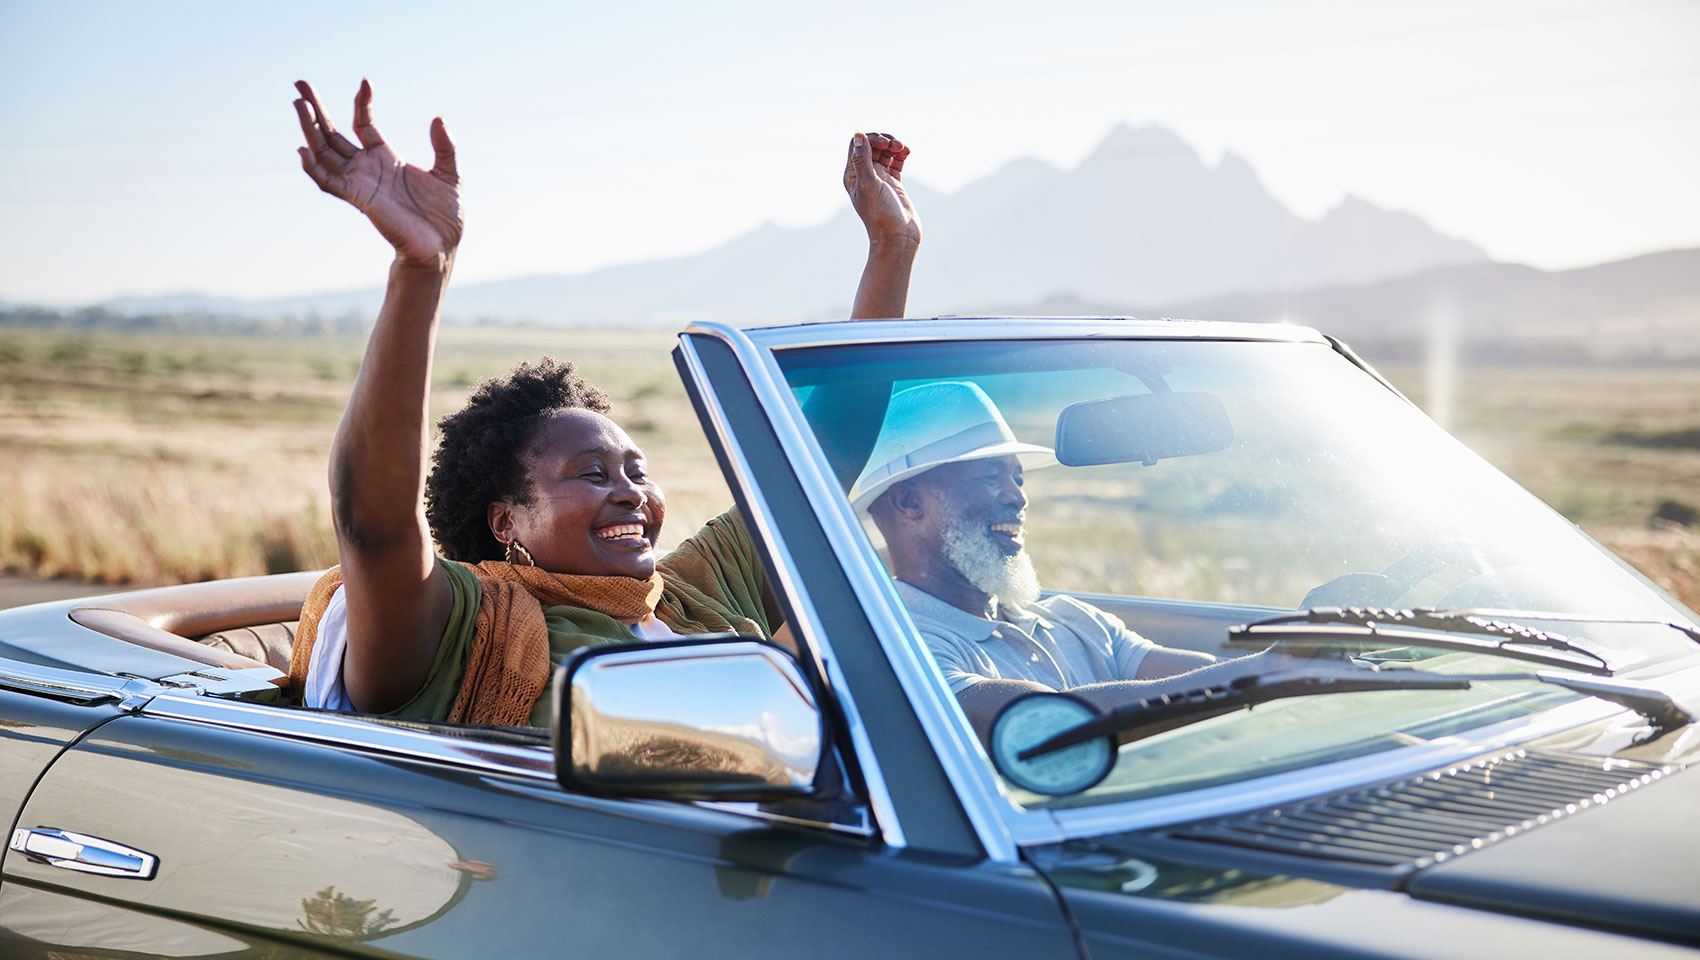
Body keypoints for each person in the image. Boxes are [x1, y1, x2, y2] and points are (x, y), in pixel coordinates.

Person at [283, 78, 921, 726]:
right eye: (593, 473)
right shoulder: (471, 627)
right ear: (506, 523)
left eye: (637, 471)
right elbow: (374, 526)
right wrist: (422, 269)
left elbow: (825, 456)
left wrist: (892, 247)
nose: (631, 492)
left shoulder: (691, 591)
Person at [855, 381, 1314, 741]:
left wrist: (1308, 658)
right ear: (910, 502)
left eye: (1017, 477)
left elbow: (1197, 676)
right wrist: (1270, 669)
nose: (1016, 497)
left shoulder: (1072, 620)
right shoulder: (897, 647)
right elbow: (1047, 722)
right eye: (989, 476)